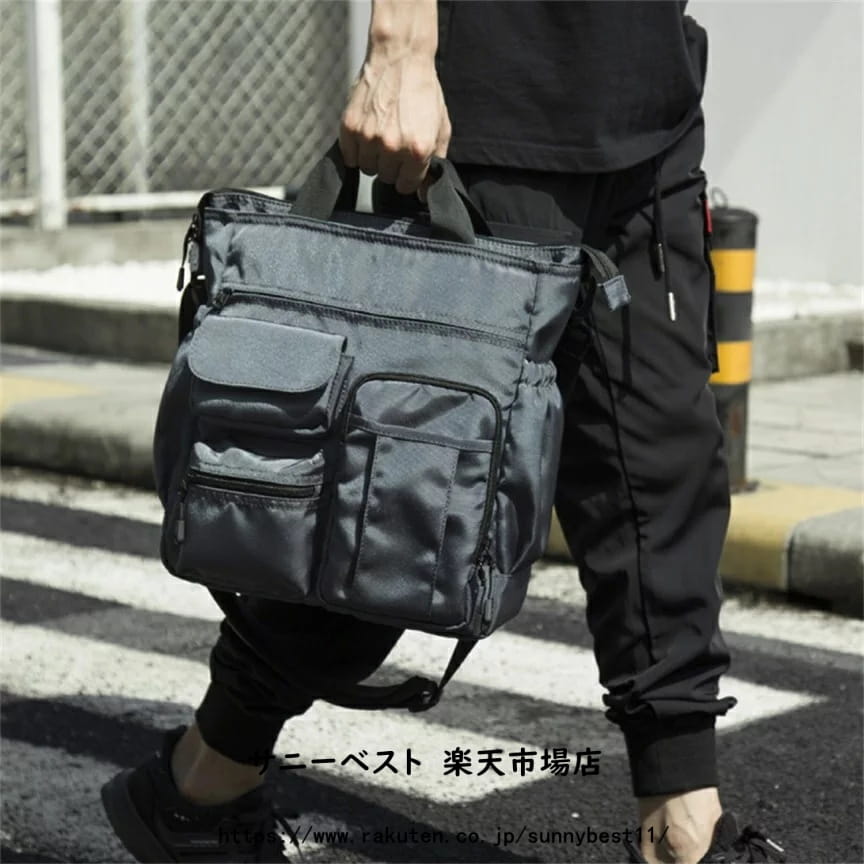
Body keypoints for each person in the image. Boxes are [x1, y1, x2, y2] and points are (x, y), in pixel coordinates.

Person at [101, 2, 787, 863]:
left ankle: (681, 824)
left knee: (663, 464)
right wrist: (400, 45)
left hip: (651, 107)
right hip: (490, 107)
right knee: (403, 502)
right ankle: (204, 782)